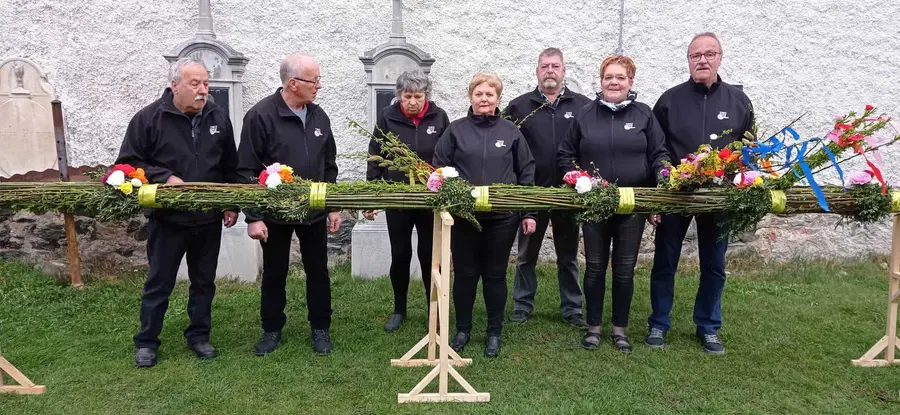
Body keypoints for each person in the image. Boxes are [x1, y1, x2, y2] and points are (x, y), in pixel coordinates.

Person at [116, 57, 239, 368]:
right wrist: (164, 176)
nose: (202, 90)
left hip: (208, 217)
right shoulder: (149, 119)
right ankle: (147, 342)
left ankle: (199, 335)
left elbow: (230, 166)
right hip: (168, 219)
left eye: (206, 84)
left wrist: (230, 203)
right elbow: (128, 164)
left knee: (204, 281)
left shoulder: (218, 117)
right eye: (194, 84)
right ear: (175, 85)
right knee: (160, 281)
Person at [647, 32, 754, 355]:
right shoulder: (669, 100)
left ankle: (708, 326)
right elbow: (656, 148)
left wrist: (741, 181)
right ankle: (659, 322)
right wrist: (663, 182)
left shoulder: (738, 101)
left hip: (718, 198)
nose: (702, 60)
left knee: (714, 264)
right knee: (665, 261)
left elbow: (749, 148)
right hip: (676, 195)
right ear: (688, 60)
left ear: (720, 57)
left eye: (709, 54)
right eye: (696, 55)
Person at [558, 55, 669, 352]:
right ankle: (593, 326)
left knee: (624, 269)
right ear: (601, 80)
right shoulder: (585, 115)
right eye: (609, 77)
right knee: (594, 267)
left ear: (631, 82)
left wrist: (662, 178)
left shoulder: (644, 114)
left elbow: (659, 154)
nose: (614, 82)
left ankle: (619, 328)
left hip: (631, 206)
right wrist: (577, 177)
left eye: (621, 77)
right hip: (596, 204)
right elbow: (565, 155)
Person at [237, 54, 341, 356]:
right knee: (275, 272)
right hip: (275, 215)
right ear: (293, 83)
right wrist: (254, 217)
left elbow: (329, 165)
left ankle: (320, 328)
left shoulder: (319, 117)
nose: (319, 86)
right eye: (314, 81)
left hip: (314, 211)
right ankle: (271, 330)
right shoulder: (260, 116)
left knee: (318, 271)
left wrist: (333, 205)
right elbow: (245, 170)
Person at [432, 72, 537, 358]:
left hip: (502, 218)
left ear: (498, 99)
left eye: (490, 95)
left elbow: (526, 171)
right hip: (465, 216)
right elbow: (439, 167)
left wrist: (528, 212)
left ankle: (494, 332)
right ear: (471, 98)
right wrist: (450, 197)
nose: (484, 99)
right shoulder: (455, 130)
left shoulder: (511, 132)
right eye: (479, 94)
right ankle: (463, 330)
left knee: (494, 275)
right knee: (465, 274)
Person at [504, 47, 592, 328]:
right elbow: (507, 146)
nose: (550, 71)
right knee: (526, 253)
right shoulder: (519, 107)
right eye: (545, 66)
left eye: (555, 66)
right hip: (534, 191)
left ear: (564, 70)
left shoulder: (583, 106)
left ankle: (572, 307)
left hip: (569, 194)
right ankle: (522, 304)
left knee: (568, 255)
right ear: (537, 71)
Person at [364, 70, 451, 333]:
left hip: (428, 199)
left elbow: (446, 154)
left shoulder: (439, 117)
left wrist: (443, 183)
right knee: (400, 254)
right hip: (398, 196)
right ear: (399, 96)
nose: (412, 101)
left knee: (428, 255)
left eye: (418, 96)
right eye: (407, 96)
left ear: (427, 95)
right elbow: (375, 153)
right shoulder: (388, 117)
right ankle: (399, 309)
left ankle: (431, 310)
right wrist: (374, 193)